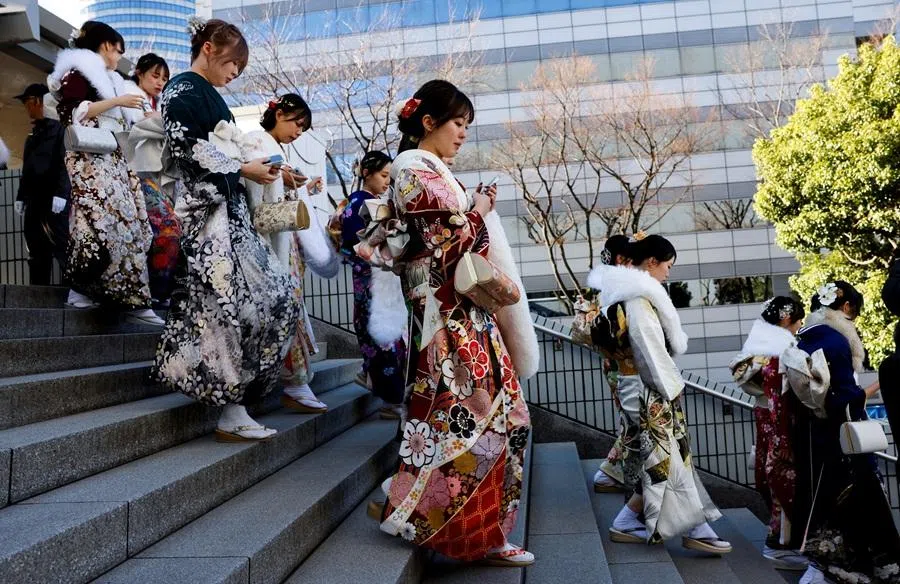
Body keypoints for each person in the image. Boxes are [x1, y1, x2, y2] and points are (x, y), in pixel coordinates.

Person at [371, 80, 534, 565]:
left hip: (461, 313)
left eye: (466, 125)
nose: (463, 134)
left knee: (500, 416)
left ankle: (468, 525)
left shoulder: (423, 171)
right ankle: (470, 532)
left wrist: (470, 210)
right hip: (447, 315)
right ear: (428, 123)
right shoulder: (412, 170)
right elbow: (451, 240)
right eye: (458, 123)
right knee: (474, 416)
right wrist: (479, 209)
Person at [155, 19, 300, 442]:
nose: (236, 70)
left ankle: (234, 404)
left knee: (261, 300)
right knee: (237, 305)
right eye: (233, 61)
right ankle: (230, 408)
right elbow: (187, 152)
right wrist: (241, 168)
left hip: (230, 211)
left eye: (240, 64)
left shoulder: (205, 94)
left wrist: (259, 171)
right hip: (211, 217)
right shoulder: (181, 89)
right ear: (208, 47)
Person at [586, 234, 731, 553]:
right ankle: (691, 526)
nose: (668, 272)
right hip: (646, 387)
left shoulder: (620, 291)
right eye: (667, 265)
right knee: (667, 456)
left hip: (635, 385)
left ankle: (675, 523)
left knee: (667, 456)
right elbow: (649, 350)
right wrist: (673, 387)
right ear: (651, 262)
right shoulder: (637, 298)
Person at [48, 21, 163, 325]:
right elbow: (72, 112)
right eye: (118, 50)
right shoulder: (78, 72)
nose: (119, 57)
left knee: (124, 224)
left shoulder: (111, 78)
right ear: (108, 46)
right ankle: (88, 291)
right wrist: (118, 102)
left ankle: (120, 294)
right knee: (97, 223)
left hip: (113, 159)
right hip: (91, 159)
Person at [791, 282, 900, 584]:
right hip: (841, 435)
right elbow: (843, 396)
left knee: (823, 498)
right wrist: (862, 396)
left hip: (813, 431)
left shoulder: (806, 335)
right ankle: (842, 566)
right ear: (848, 308)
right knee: (854, 500)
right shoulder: (838, 341)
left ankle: (821, 565)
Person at [244, 93, 339, 414]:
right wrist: (282, 179)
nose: (299, 131)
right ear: (279, 113)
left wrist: (298, 186)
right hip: (270, 243)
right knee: (287, 306)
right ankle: (295, 380)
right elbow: (254, 188)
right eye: (296, 123)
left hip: (284, 241)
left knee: (290, 306)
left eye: (303, 127)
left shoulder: (271, 145)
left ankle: (293, 379)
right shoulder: (256, 140)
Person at [730, 296, 807, 571]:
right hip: (779, 417)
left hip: (764, 412)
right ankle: (780, 543)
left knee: (769, 474)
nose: (799, 327)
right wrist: (784, 437)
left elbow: (740, 373)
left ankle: (779, 540)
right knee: (783, 477)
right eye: (798, 322)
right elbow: (779, 390)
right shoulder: (779, 345)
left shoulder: (758, 341)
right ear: (786, 319)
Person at [336, 150, 408, 419]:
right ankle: (391, 399)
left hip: (380, 277)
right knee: (382, 339)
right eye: (383, 175)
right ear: (366, 173)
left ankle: (383, 388)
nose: (387, 181)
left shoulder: (370, 201)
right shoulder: (358, 204)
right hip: (371, 277)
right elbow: (356, 245)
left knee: (387, 338)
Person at [122, 53, 181, 307]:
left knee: (160, 232)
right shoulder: (129, 97)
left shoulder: (155, 105)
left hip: (154, 175)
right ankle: (156, 291)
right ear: (139, 73)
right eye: (155, 76)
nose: (160, 82)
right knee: (167, 229)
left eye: (164, 78)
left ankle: (157, 290)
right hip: (136, 175)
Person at [578, 234, 631, 493]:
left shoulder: (599, 282)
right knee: (632, 418)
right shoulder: (618, 285)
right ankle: (610, 472)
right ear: (621, 258)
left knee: (629, 417)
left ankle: (618, 473)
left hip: (611, 361)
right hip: (622, 361)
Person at [14, 83, 70, 286]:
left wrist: (62, 194)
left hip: (53, 198)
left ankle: (72, 291)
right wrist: (21, 196)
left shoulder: (59, 128)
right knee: (36, 247)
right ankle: (37, 292)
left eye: (28, 102)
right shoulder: (33, 135)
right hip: (34, 200)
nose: (27, 108)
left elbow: (65, 163)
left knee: (61, 244)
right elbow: (27, 169)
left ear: (39, 101)